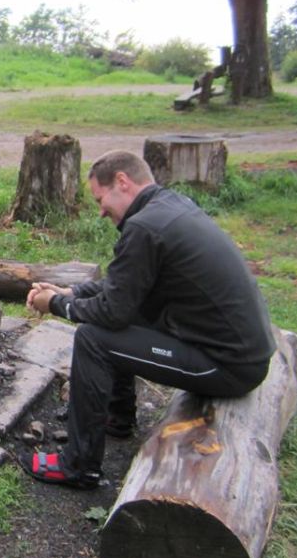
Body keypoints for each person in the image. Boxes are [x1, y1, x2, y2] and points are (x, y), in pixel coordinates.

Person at [23, 150, 275, 489]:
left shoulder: (144, 227)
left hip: (227, 365)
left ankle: (79, 466)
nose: (100, 211)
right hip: (243, 353)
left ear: (122, 182)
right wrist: (72, 292)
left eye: (100, 199)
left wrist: (55, 304)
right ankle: (117, 418)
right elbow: (125, 287)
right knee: (124, 320)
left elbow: (112, 311)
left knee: (93, 338)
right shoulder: (168, 207)